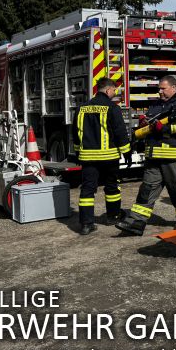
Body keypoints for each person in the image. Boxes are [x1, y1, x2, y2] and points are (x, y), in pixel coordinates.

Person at [116, 75, 176, 236]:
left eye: (163, 88)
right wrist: (143, 123)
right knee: (147, 188)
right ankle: (137, 222)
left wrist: (164, 128)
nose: (160, 91)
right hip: (154, 157)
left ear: (174, 88)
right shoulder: (157, 105)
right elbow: (151, 124)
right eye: (159, 88)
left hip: (174, 157)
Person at [72, 78, 131, 235]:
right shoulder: (112, 108)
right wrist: (127, 152)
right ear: (107, 90)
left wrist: (78, 152)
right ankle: (113, 216)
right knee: (112, 187)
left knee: (87, 190)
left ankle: (86, 224)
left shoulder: (81, 108)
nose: (114, 94)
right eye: (114, 91)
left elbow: (75, 133)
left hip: (88, 158)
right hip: (109, 157)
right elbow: (120, 132)